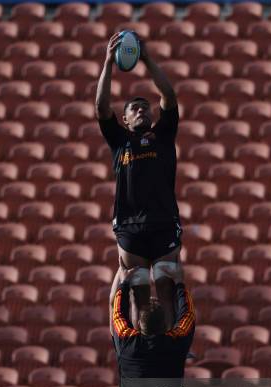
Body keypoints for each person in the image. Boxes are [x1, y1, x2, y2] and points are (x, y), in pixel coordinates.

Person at [95, 32, 182, 328]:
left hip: (163, 220)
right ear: (126, 119)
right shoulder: (119, 141)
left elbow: (169, 97)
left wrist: (145, 58)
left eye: (145, 106)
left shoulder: (163, 134)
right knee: (138, 288)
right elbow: (101, 107)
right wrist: (108, 62)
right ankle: (137, 342)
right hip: (130, 225)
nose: (142, 109)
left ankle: (171, 342)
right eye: (134, 107)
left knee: (167, 281)